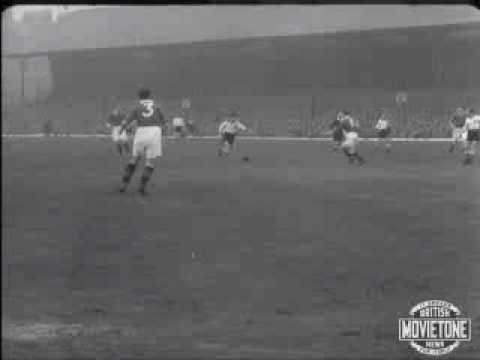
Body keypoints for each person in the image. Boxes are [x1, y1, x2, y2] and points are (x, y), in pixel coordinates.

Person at [118, 88, 166, 195]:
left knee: (134, 159)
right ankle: (142, 188)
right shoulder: (156, 106)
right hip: (154, 132)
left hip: (141, 132)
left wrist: (122, 129)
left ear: (139, 96)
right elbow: (163, 121)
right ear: (149, 95)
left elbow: (128, 120)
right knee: (150, 162)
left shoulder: (137, 107)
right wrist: (164, 130)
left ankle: (124, 185)